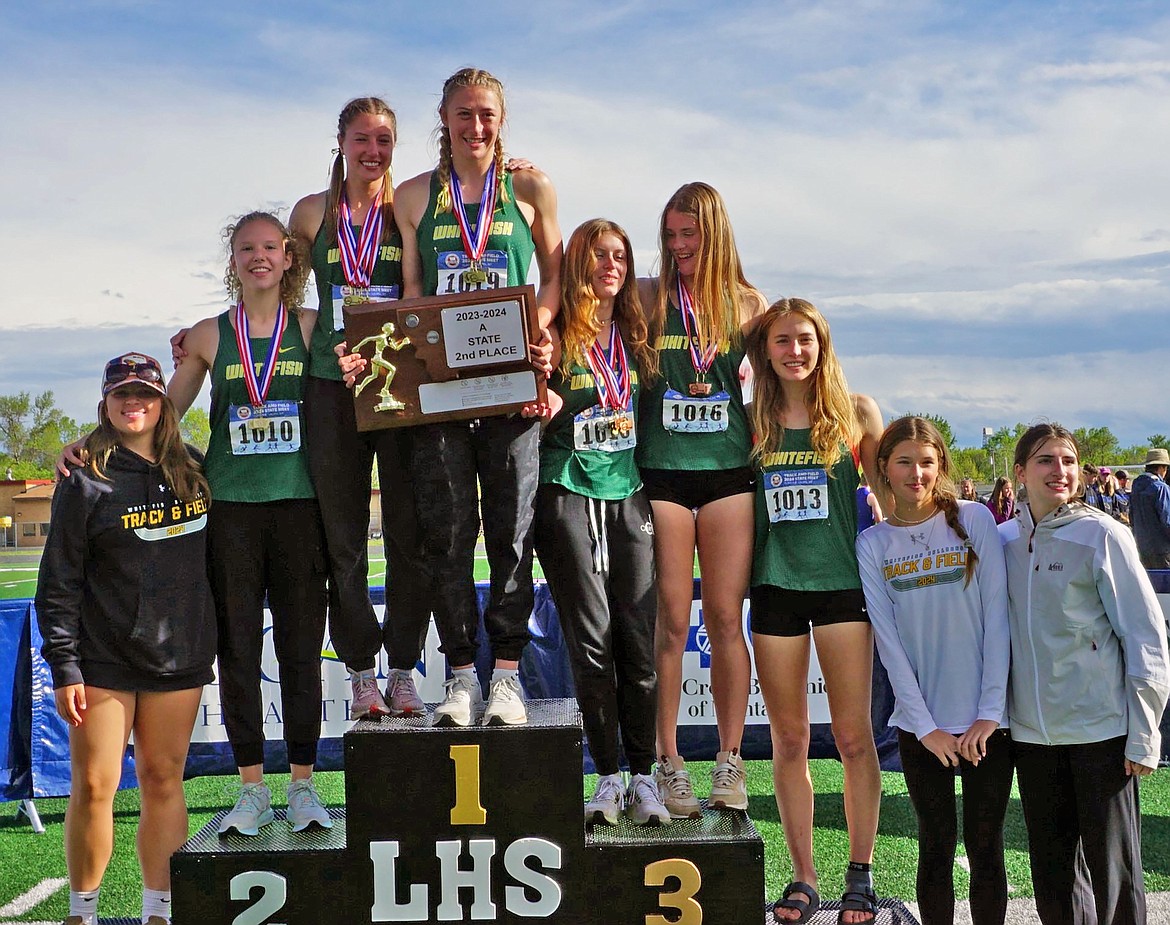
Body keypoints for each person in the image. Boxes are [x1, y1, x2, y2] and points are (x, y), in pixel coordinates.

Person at [394, 67, 562, 727]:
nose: (476, 126)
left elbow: (554, 278)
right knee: (449, 531)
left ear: (501, 120)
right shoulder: (412, 197)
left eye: (486, 114)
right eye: (464, 114)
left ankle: (510, 677)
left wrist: (540, 334)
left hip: (511, 384)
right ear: (444, 118)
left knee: (512, 532)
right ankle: (462, 674)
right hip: (439, 388)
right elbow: (410, 294)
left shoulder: (529, 187)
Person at [164, 212, 332, 835]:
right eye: (245, 249)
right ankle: (252, 787)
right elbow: (166, 417)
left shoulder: (313, 327)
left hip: (299, 507)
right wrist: (98, 442)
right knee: (238, 649)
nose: (258, 257)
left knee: (299, 652)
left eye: (269, 247)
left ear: (290, 257)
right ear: (231, 261)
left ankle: (305, 785)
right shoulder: (209, 335)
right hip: (231, 511)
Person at [36, 354, 215, 925]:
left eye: (145, 393)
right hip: (103, 660)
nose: (133, 403)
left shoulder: (195, 466)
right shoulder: (84, 477)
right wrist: (66, 666)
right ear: (106, 402)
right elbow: (58, 580)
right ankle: (81, 912)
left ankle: (160, 911)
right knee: (94, 786)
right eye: (122, 394)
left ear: (163, 401)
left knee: (163, 780)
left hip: (178, 657)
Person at [287, 97, 433, 720]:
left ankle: (402, 667)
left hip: (396, 384)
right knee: (341, 537)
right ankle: (359, 671)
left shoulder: (407, 206)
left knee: (409, 533)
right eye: (362, 138)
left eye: (384, 140)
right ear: (341, 140)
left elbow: (415, 294)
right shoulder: (311, 212)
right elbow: (281, 294)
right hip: (329, 383)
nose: (373, 151)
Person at [746, 298, 884, 925]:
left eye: (805, 339)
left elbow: (894, 494)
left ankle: (861, 871)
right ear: (766, 349)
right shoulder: (751, 420)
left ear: (822, 345)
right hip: (774, 587)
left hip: (841, 590)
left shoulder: (855, 413)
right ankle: (803, 875)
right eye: (782, 340)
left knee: (854, 737)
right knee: (790, 738)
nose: (794, 351)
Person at [633, 181, 766, 818]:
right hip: (660, 473)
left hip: (728, 476)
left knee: (721, 619)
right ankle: (669, 761)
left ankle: (730, 760)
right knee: (671, 621)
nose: (681, 246)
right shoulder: (649, 297)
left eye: (691, 235)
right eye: (672, 236)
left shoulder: (749, 304)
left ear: (714, 235)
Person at [999, 424, 1169, 924]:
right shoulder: (1002, 540)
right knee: (1053, 880)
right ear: (1020, 472)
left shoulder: (1104, 535)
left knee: (1115, 878)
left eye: (1068, 460)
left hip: (1102, 732)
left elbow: (1145, 637)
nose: (1060, 471)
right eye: (1046, 460)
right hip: (1032, 738)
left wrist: (1143, 733)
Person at [534, 218, 667, 826]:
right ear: (579, 263)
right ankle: (608, 777)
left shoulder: (639, 335)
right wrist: (541, 395)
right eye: (599, 255)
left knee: (638, 639)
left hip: (629, 492)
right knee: (592, 639)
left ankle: (644, 777)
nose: (611, 265)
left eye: (621, 256)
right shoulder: (552, 334)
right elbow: (516, 398)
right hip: (566, 487)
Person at [857, 416, 1012, 925]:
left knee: (986, 847)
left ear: (940, 465)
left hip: (988, 726)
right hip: (923, 730)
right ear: (883, 467)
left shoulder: (974, 520)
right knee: (936, 848)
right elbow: (890, 646)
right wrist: (926, 728)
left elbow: (998, 619)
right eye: (904, 461)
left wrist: (989, 714)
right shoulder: (873, 545)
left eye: (926, 462)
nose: (916, 473)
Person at [1130, 447, 1170, 568]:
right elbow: (1167, 521)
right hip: (1162, 550)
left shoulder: (1136, 486)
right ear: (1162, 468)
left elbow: (1131, 517)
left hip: (1142, 548)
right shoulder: (1160, 488)